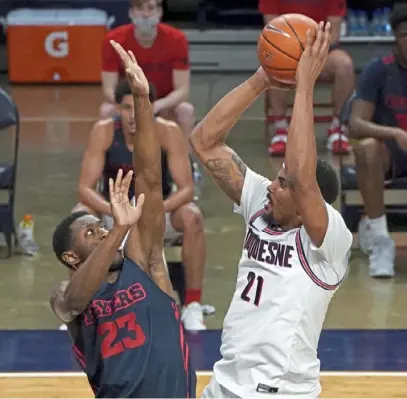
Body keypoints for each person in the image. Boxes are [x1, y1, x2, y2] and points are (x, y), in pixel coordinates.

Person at [190, 22, 352, 397]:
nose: (271, 185)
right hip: (224, 381)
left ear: (309, 200)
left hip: (279, 390)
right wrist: (261, 80)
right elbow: (204, 142)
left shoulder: (330, 242)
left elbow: (299, 173)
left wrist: (305, 85)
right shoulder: (262, 204)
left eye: (281, 183)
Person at [50, 41, 196, 397]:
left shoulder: (145, 263)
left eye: (99, 228)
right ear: (71, 257)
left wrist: (143, 102)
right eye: (90, 232)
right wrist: (117, 229)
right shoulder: (67, 296)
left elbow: (148, 176)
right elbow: (72, 302)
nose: (99, 233)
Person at [74, 77, 207, 331]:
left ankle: (192, 305)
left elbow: (187, 189)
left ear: (152, 106)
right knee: (79, 217)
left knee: (192, 216)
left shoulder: (168, 132)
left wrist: (154, 210)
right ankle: (81, 308)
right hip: (114, 213)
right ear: (116, 109)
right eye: (126, 108)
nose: (133, 115)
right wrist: (114, 211)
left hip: (157, 213)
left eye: (139, 106)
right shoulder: (103, 131)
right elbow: (84, 189)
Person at [348, 5, 407, 278]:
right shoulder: (378, 70)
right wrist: (394, 134)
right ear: (395, 36)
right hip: (391, 155)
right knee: (367, 149)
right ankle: (382, 240)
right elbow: (356, 123)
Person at [258, 0, 354, 155]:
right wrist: (296, 51)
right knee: (273, 63)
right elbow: (273, 28)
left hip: (321, 51)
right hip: (288, 49)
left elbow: (334, 33)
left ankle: (338, 128)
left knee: (345, 65)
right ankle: (281, 129)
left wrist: (313, 52)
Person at [100, 0, 195, 144]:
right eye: (139, 8)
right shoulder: (113, 40)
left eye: (150, 8)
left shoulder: (177, 39)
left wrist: (158, 105)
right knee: (106, 111)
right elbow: (108, 91)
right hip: (130, 99)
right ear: (130, 12)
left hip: (163, 102)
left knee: (186, 110)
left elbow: (183, 90)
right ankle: (106, 162)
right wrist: (133, 106)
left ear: (160, 12)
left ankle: (187, 162)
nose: (145, 14)